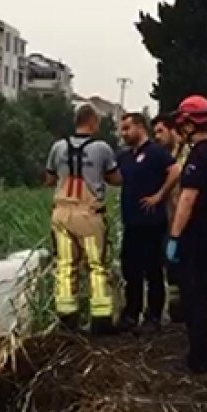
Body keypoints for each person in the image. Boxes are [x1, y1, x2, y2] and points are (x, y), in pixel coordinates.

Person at [165, 95, 207, 374]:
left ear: (189, 123)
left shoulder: (199, 155)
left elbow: (187, 199)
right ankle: (205, 352)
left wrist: (174, 237)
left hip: (199, 233)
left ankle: (199, 357)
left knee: (193, 295)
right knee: (204, 291)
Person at [45, 104, 121, 334]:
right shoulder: (102, 148)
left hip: (61, 215)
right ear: (93, 122)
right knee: (96, 266)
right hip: (89, 216)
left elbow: (48, 179)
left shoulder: (58, 147)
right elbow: (115, 179)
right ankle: (100, 321)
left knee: (65, 265)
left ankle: (67, 319)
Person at [115, 112, 179, 333]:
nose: (123, 134)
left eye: (127, 128)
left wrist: (160, 195)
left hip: (152, 223)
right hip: (131, 223)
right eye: (121, 129)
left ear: (140, 127)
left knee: (153, 271)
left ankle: (153, 316)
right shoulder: (124, 157)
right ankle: (131, 312)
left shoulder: (156, 153)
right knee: (130, 270)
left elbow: (175, 170)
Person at [154, 113, 190, 324]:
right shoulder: (160, 158)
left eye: (161, 131)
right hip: (166, 221)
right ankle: (176, 313)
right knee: (170, 270)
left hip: (185, 223)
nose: (157, 137)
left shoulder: (189, 158)